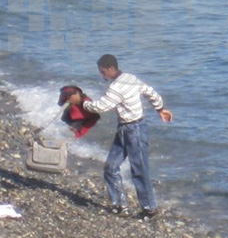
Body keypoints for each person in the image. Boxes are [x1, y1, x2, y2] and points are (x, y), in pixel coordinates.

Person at [68, 54, 173, 219]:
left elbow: (101, 107)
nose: (101, 75)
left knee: (139, 170)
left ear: (111, 68)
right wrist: (160, 108)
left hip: (134, 130)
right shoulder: (130, 78)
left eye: (103, 71)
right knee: (111, 167)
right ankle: (119, 204)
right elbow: (150, 92)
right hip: (125, 129)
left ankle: (150, 209)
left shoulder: (116, 87)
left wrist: (81, 102)